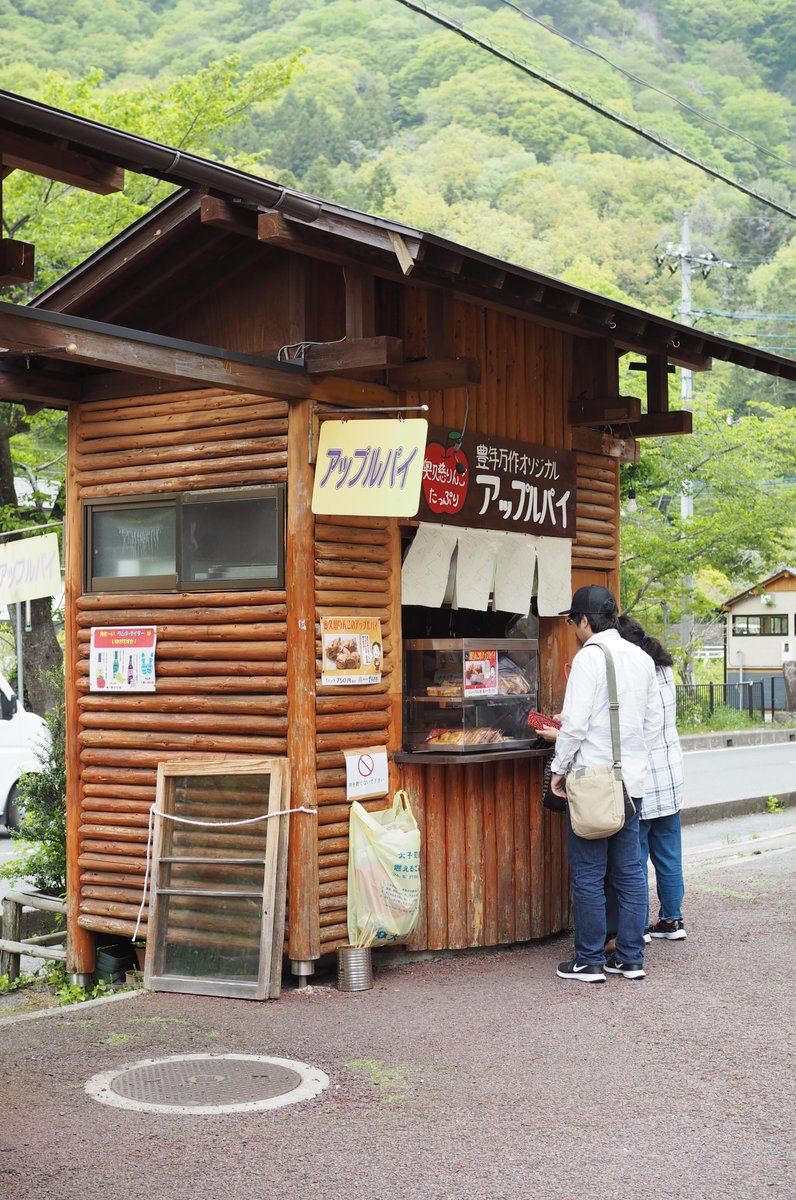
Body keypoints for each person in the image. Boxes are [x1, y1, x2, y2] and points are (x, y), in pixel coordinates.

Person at [549, 584, 663, 983]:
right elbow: (653, 725)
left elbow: (575, 724)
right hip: (631, 782)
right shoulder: (641, 658)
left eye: (571, 621)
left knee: (588, 873)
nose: (572, 629)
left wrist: (557, 768)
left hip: (594, 783)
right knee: (630, 872)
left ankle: (589, 960)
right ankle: (631, 958)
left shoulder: (589, 659)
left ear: (583, 620)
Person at [617, 614, 687, 940]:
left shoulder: (633, 673)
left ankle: (641, 925)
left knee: (636, 858)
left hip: (643, 776)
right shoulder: (665, 670)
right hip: (671, 775)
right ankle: (672, 920)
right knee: (670, 855)